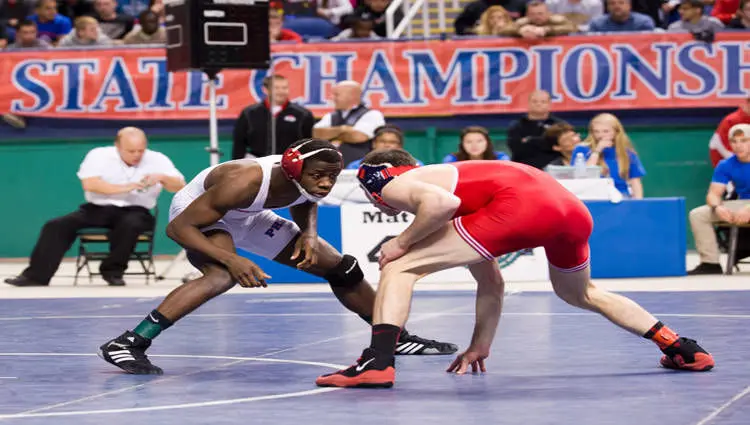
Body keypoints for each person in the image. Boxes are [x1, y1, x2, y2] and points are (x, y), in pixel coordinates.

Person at [315, 149, 715, 388]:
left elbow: (439, 206)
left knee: (399, 265)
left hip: (518, 204)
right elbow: (492, 283)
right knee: (581, 293)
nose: (379, 203)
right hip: (569, 210)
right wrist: (480, 344)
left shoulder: (387, 177)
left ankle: (377, 362)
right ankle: (680, 347)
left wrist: (401, 242)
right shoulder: (461, 190)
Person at [99, 139, 456, 375]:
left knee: (342, 268)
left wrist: (309, 234)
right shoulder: (244, 181)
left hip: (248, 216)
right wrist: (233, 259)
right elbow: (178, 228)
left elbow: (307, 198)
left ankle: (395, 337)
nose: (325, 183)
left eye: (332, 177)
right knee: (221, 276)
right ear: (293, 171)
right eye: (318, 176)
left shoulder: (307, 176)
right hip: (200, 216)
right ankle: (129, 342)